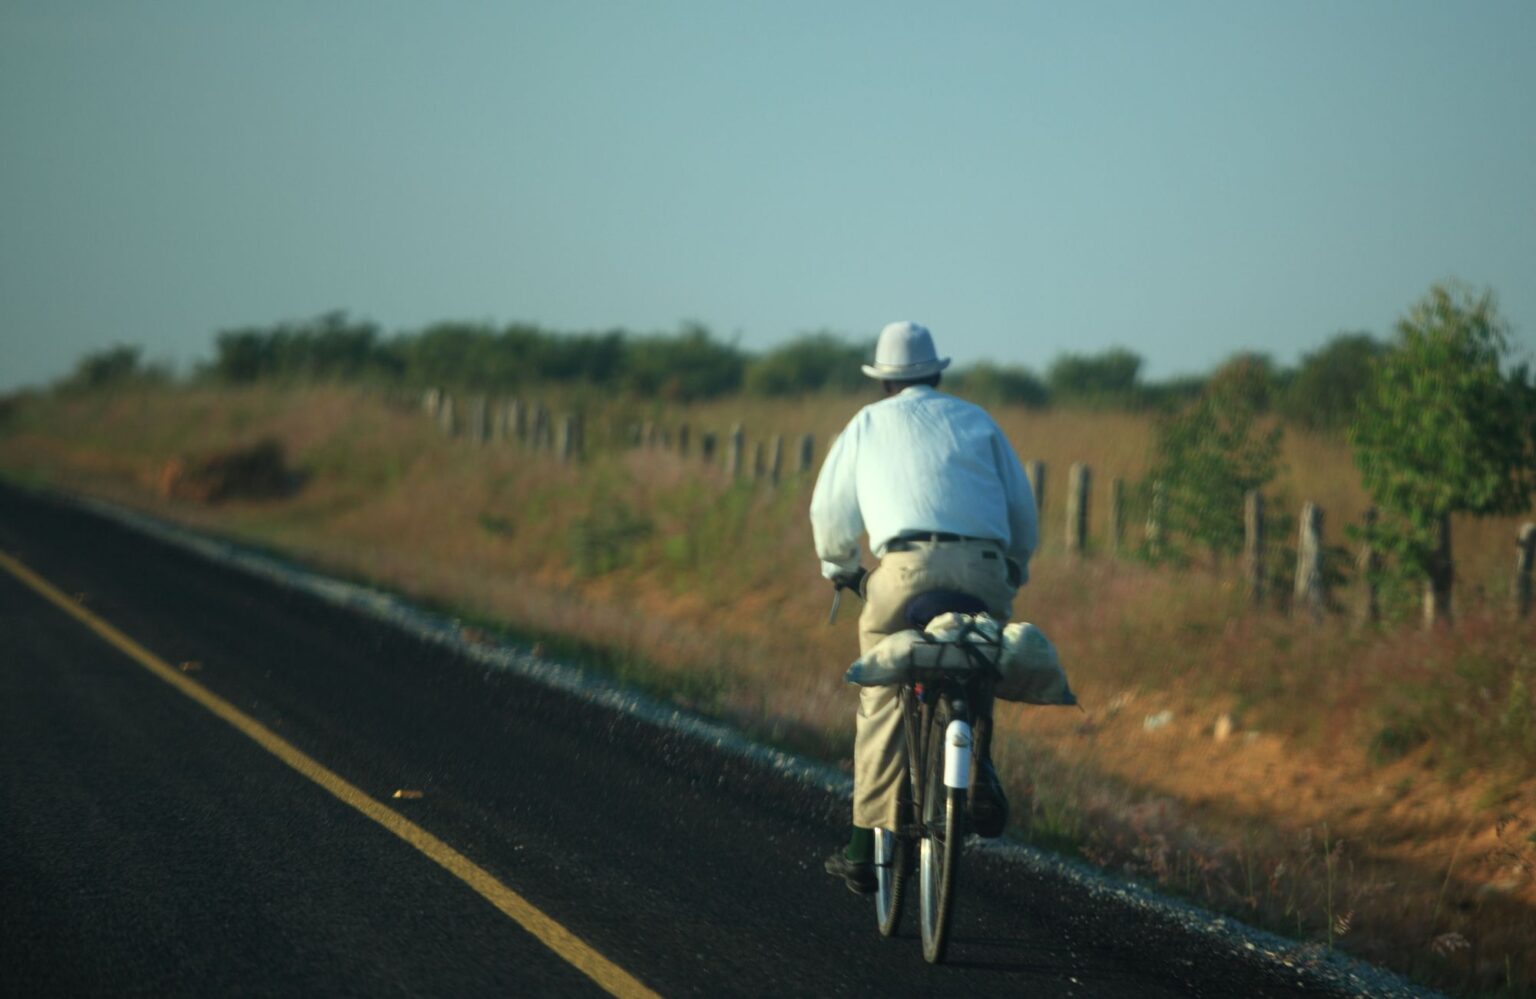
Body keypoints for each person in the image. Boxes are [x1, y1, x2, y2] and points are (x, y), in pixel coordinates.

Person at [810, 320, 1038, 893]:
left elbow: (830, 512)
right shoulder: (978, 419)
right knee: (978, 655)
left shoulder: (866, 423)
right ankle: (977, 759)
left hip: (902, 570)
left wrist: (841, 568)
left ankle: (864, 848)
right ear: (938, 373)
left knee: (882, 692)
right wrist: (1015, 565)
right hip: (984, 567)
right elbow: (1021, 510)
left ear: (883, 382)